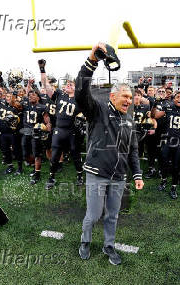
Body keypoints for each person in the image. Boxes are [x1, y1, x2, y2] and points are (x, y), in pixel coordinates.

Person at [76, 43, 144, 265]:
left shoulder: (129, 120)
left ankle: (109, 246)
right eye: (124, 95)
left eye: (130, 97)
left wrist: (137, 175)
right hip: (96, 172)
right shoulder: (98, 110)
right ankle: (85, 241)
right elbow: (80, 93)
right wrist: (91, 62)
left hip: (118, 177)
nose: (128, 99)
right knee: (93, 215)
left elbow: (133, 150)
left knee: (113, 215)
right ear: (113, 96)